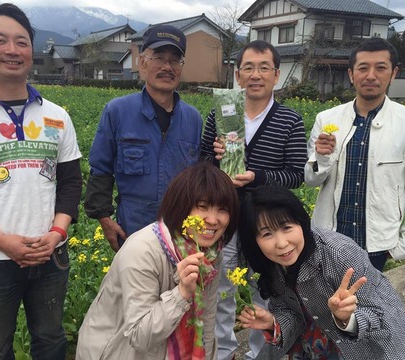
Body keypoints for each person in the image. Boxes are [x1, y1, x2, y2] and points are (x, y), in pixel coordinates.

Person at [0, 3, 82, 359]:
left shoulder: (57, 116)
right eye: (0, 40)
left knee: (51, 340)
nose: (12, 50)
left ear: (31, 50)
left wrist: (56, 233)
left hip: (50, 256)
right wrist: (2, 242)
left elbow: (70, 182)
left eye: (21, 42)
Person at [200, 40, 307, 359]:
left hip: (268, 222)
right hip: (227, 217)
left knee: (268, 292)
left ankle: (260, 354)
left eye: (264, 68)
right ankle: (223, 352)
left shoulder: (290, 120)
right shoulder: (221, 113)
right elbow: (202, 162)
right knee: (221, 291)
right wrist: (216, 158)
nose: (256, 74)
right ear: (237, 74)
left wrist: (258, 177)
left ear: (276, 75)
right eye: (248, 67)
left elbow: (296, 174)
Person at [76, 162, 239, 359]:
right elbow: (139, 336)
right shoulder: (142, 251)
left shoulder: (211, 252)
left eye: (222, 210)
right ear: (181, 206)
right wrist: (181, 294)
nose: (213, 220)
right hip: (120, 352)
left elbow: (207, 319)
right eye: (202, 207)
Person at [237, 185, 405, 360]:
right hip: (315, 345)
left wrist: (346, 318)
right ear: (254, 240)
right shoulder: (269, 264)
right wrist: (272, 323)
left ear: (301, 221)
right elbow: (290, 312)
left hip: (368, 348)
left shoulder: (339, 253)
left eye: (287, 227)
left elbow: (378, 313)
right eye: (267, 234)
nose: (282, 243)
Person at [305, 37, 405, 272]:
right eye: (363, 68)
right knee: (325, 307)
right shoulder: (327, 119)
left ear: (393, 73)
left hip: (378, 247)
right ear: (352, 74)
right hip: (329, 241)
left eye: (381, 68)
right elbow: (311, 181)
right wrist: (321, 158)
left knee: (368, 309)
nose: (371, 75)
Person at [84, 24, 202, 252]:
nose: (167, 67)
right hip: (133, 226)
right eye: (159, 58)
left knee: (182, 287)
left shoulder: (193, 118)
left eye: (175, 60)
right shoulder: (117, 111)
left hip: (180, 227)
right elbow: (100, 169)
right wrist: (104, 219)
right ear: (142, 62)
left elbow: (200, 175)